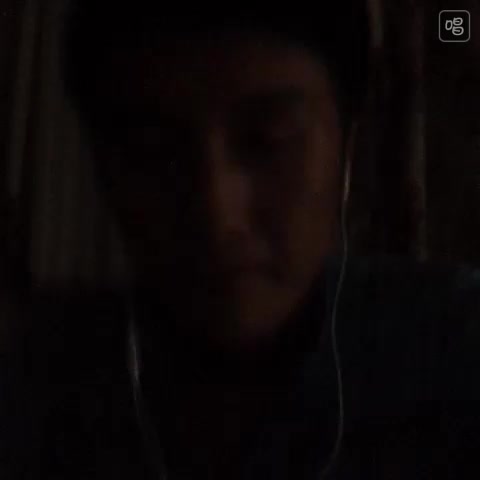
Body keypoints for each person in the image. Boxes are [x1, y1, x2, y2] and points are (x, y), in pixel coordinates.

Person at [2, 1, 480, 479]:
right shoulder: (34, 387)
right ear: (102, 166)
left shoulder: (451, 351)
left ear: (346, 145)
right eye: (154, 150)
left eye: (269, 141)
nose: (217, 214)